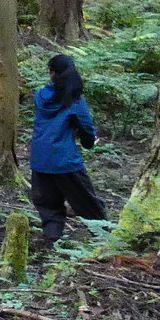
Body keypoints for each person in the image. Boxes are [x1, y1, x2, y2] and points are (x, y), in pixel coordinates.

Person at [29, 53, 107, 243]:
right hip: (65, 162)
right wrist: (89, 142)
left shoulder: (41, 96)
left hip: (40, 161)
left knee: (48, 206)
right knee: (88, 204)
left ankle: (52, 240)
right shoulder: (74, 100)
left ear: (52, 74)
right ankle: (106, 240)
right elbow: (86, 127)